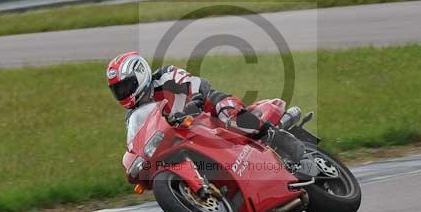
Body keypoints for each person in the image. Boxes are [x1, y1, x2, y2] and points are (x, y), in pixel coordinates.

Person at [107, 51, 304, 162]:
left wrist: (193, 103)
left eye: (126, 86)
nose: (123, 93)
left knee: (229, 116)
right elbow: (138, 141)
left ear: (140, 75)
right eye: (118, 90)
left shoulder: (165, 76)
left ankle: (279, 138)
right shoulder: (134, 116)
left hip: (211, 110)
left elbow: (197, 84)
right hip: (189, 135)